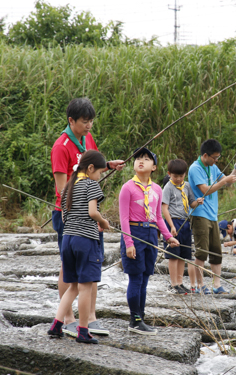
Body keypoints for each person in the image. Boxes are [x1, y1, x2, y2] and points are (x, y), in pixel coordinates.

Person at [50, 97, 125, 337]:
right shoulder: (60, 147)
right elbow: (63, 190)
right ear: (71, 121)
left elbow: (93, 164)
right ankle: (69, 319)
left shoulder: (87, 138)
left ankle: (90, 317)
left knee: (93, 264)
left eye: (91, 121)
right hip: (69, 215)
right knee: (68, 268)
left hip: (89, 217)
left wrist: (108, 165)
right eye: (84, 122)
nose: (89, 126)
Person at [48, 150, 109, 344]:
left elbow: (64, 217)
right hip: (85, 240)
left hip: (68, 239)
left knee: (72, 286)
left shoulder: (68, 186)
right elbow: (92, 212)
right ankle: (83, 330)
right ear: (90, 168)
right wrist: (103, 221)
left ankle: (57, 324)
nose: (99, 176)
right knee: (85, 287)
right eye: (99, 172)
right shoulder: (91, 185)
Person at [119, 147, 179, 335]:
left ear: (154, 167)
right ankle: (134, 320)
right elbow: (123, 219)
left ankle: (140, 317)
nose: (141, 161)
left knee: (145, 279)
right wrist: (129, 244)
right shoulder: (128, 187)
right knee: (135, 279)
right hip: (134, 233)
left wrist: (168, 237)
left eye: (146, 159)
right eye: (138, 158)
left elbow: (158, 217)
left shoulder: (157, 189)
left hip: (151, 235)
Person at [188, 139, 236, 295]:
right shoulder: (195, 168)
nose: (216, 160)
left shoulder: (212, 166)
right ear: (205, 155)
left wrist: (235, 170)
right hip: (199, 214)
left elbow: (227, 183)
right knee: (202, 251)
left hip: (213, 215)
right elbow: (206, 190)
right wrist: (224, 180)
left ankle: (217, 285)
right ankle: (200, 285)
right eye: (214, 157)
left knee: (216, 251)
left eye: (218, 158)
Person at [161, 159, 204, 294]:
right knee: (173, 255)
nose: (179, 179)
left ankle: (180, 282)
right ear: (169, 174)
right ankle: (173, 283)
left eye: (181, 176)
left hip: (185, 222)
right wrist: (171, 226)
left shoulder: (186, 186)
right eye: (175, 176)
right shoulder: (168, 187)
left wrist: (197, 202)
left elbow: (191, 203)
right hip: (173, 222)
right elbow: (164, 208)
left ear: (185, 174)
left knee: (182, 255)